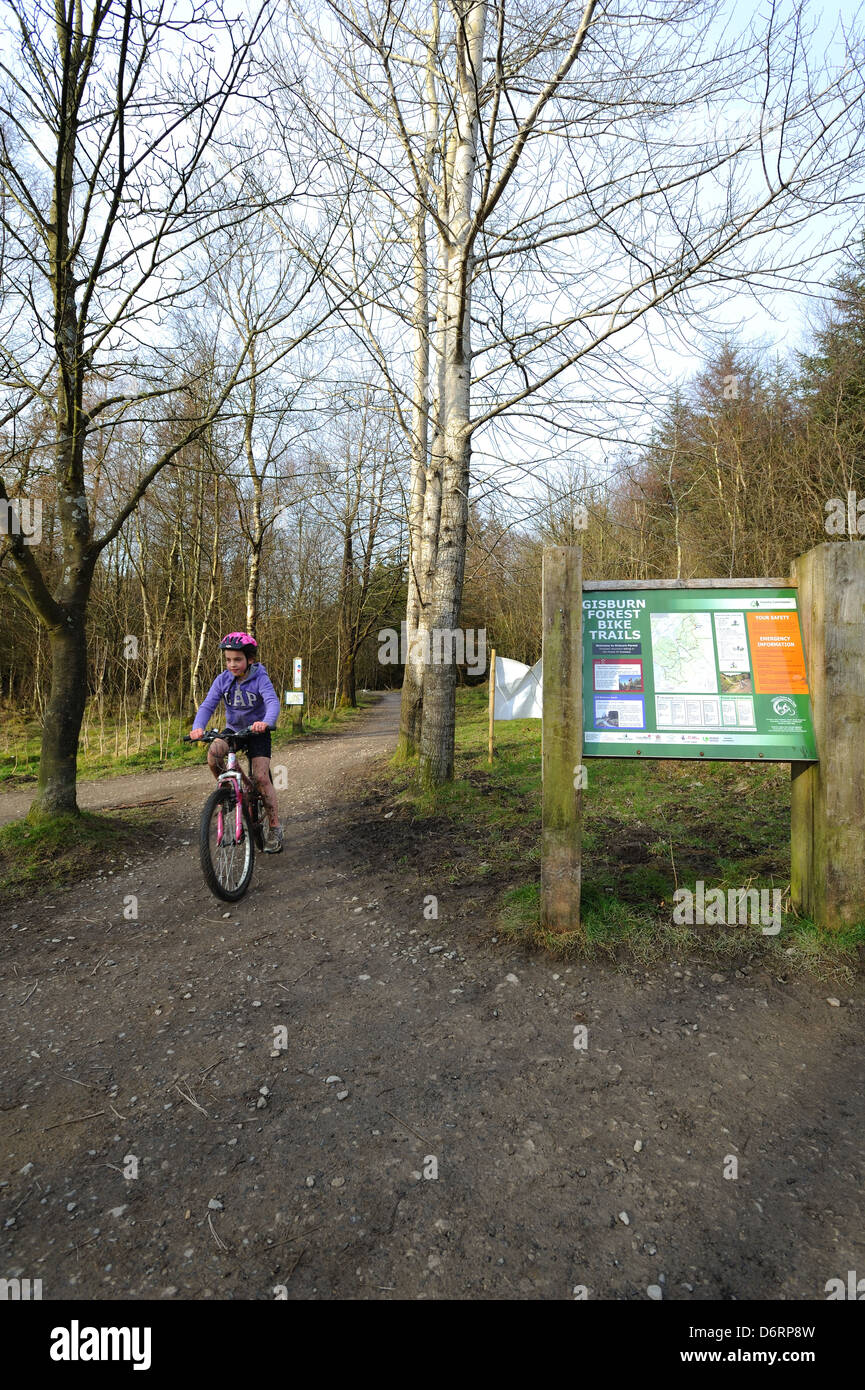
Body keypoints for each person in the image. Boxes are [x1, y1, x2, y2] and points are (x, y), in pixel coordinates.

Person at [189, 632, 284, 853]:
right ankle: (229, 793)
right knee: (213, 754)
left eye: (237, 660)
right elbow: (207, 705)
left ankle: (275, 827)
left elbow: (272, 702)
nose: (232, 664)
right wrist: (197, 727)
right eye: (228, 659)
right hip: (234, 730)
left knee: (261, 777)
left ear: (249, 659)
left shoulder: (260, 678)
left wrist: (266, 722)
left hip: (257, 731)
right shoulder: (223, 680)